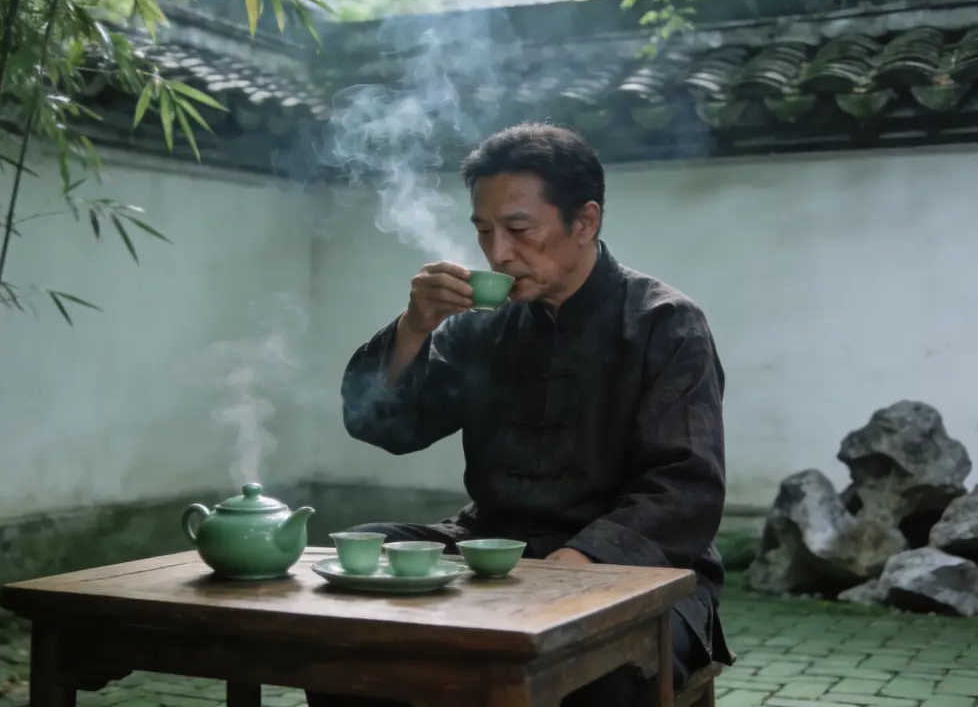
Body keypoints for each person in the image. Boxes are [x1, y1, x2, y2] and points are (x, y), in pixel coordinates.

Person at [307, 122, 733, 707]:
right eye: (484, 231)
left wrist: (577, 561)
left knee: (592, 665)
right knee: (354, 574)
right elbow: (387, 426)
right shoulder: (481, 325)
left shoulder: (665, 323)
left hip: (634, 567)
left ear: (585, 221)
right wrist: (414, 327)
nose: (498, 253)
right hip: (491, 546)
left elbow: (685, 488)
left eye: (519, 229)